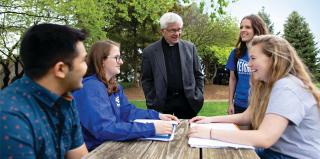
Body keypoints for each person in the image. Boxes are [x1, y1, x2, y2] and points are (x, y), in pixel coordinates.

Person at [189, 35, 320, 159]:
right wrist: (209, 120)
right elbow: (247, 116)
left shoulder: (287, 86)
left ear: (273, 59)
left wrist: (210, 133)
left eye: (253, 58)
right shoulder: (268, 85)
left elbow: (264, 138)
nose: (248, 64)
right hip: (274, 152)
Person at [0, 24, 88, 158]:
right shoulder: (10, 116)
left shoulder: (65, 99)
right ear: (60, 69)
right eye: (83, 60)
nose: (86, 68)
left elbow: (80, 156)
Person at [72, 40, 179, 151]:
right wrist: (151, 128)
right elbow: (104, 129)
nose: (121, 62)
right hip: (96, 151)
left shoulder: (114, 85)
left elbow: (127, 111)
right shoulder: (91, 87)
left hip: (113, 145)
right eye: (117, 58)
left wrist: (157, 116)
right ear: (102, 60)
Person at [141, 12, 204, 119]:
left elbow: (198, 74)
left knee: (187, 134)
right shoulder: (150, 51)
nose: (177, 33)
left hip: (188, 103)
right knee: (163, 134)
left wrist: (199, 95)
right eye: (173, 30)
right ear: (163, 31)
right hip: (162, 104)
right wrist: (152, 100)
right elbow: (146, 79)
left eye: (179, 29)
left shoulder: (190, 47)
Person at [226, 14, 268, 114]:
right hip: (239, 104)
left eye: (248, 27)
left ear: (257, 30)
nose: (242, 30)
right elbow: (232, 79)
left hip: (259, 105)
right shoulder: (235, 53)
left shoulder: (266, 54)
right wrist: (230, 103)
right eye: (241, 27)